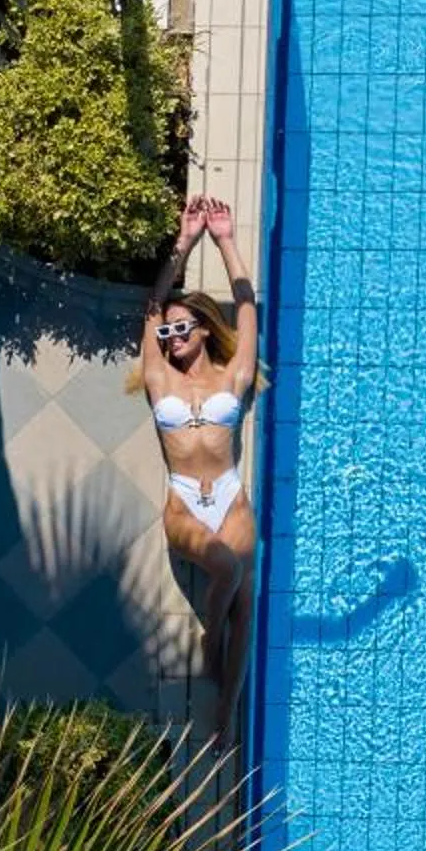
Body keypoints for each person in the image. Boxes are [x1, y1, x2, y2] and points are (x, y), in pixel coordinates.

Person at [137, 194, 259, 715]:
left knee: (247, 607)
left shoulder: (234, 376)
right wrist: (183, 243)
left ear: (206, 329)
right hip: (185, 503)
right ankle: (211, 641)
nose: (171, 337)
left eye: (182, 328)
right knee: (228, 572)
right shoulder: (158, 377)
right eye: (166, 332)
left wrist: (227, 241)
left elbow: (248, 308)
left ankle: (227, 712)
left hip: (230, 498)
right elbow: (151, 305)